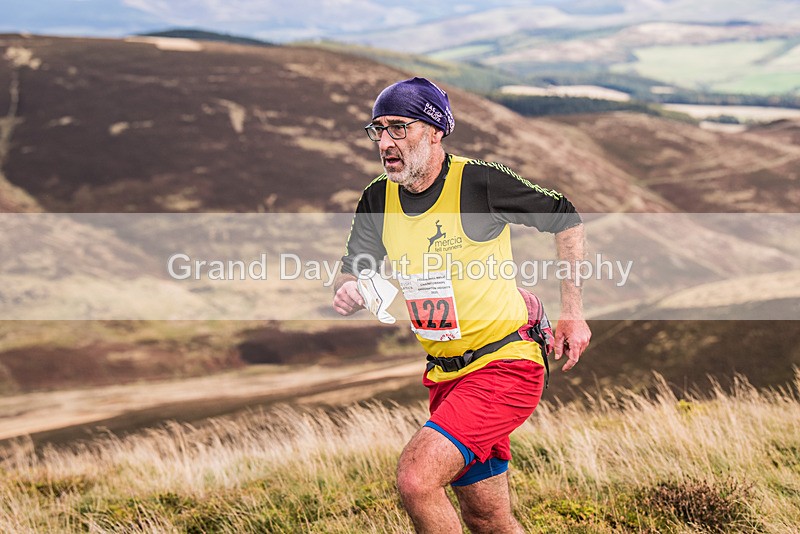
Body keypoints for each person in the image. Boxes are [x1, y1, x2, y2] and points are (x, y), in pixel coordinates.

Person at [332, 77, 591, 533]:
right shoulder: (378, 197)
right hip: (445, 374)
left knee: (416, 480)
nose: (385, 142)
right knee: (487, 517)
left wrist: (572, 311)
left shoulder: (477, 184)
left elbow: (565, 217)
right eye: (377, 130)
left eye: (398, 127)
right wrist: (353, 289)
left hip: (505, 365)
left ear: (434, 130)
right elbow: (356, 268)